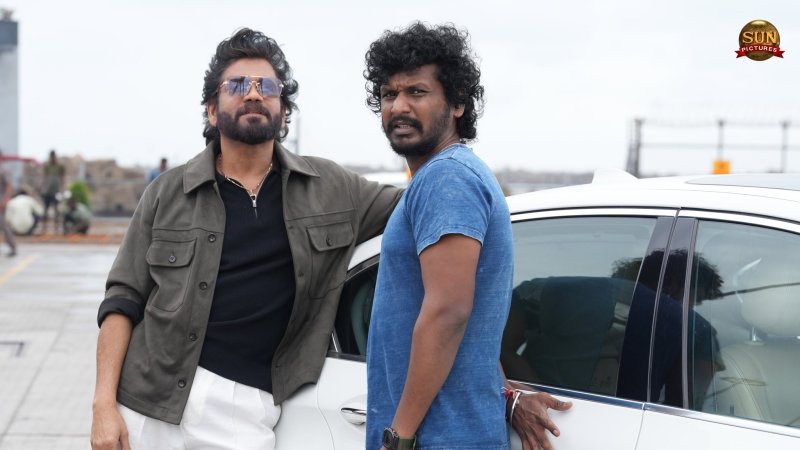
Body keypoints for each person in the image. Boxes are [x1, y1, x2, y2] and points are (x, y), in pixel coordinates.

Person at [90, 28, 402, 450]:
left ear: (283, 112)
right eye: (237, 85)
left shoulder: (333, 189)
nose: (253, 94)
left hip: (244, 409)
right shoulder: (167, 192)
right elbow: (122, 299)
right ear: (212, 111)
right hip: (146, 403)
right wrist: (103, 405)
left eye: (267, 87)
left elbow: (421, 204)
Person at [363, 23, 570, 450]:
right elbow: (472, 324)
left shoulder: (447, 178)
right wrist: (508, 396)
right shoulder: (449, 175)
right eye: (389, 94)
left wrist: (399, 438)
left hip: (438, 439)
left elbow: (448, 313)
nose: (399, 106)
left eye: (417, 92)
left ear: (457, 102)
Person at [41, 149, 65, 233]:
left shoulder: (60, 167)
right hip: (47, 192)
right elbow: (44, 178)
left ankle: (56, 229)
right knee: (45, 210)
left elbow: (62, 179)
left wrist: (62, 190)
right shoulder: (47, 166)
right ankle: (44, 228)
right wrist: (43, 188)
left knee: (56, 211)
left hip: (56, 192)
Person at [0, 152, 18, 256]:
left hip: (1, 202)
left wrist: (5, 200)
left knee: (3, 225)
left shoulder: (3, 170)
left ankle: (12, 246)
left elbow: (9, 186)